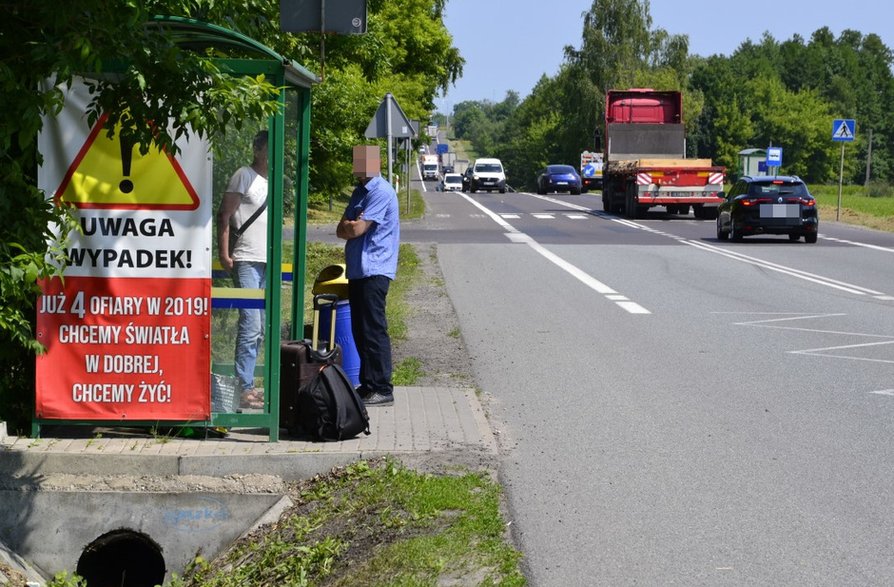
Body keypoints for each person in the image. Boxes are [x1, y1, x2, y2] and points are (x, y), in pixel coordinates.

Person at [336, 145, 400, 406]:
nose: (359, 166)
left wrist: (353, 224)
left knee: (374, 329)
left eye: (363, 161)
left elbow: (356, 229)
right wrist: (350, 224)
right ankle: (368, 383)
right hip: (358, 270)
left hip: (375, 268)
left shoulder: (381, 191)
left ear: (376, 163)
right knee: (359, 330)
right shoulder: (359, 192)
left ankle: (382, 387)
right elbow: (341, 229)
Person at [217, 130, 268, 410]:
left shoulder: (272, 180)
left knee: (260, 328)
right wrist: (224, 252)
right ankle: (243, 387)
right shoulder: (243, 175)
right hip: (246, 258)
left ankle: (247, 384)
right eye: (268, 149)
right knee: (251, 325)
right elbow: (225, 214)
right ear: (257, 149)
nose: (273, 155)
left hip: (265, 261)